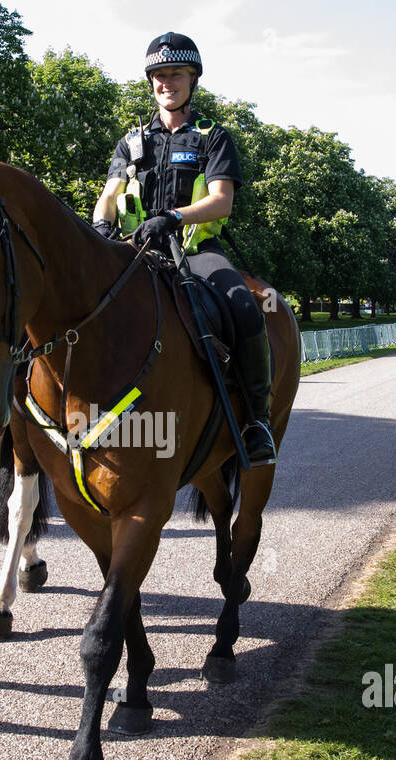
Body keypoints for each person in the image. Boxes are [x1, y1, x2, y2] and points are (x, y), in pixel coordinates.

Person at [89, 32, 275, 467]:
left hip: (193, 251)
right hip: (135, 251)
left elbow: (221, 199)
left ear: (193, 80)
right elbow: (110, 193)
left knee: (245, 308)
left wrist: (172, 217)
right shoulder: (131, 141)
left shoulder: (213, 137)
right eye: (159, 75)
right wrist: (100, 227)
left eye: (176, 74)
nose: (166, 82)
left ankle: (256, 421)